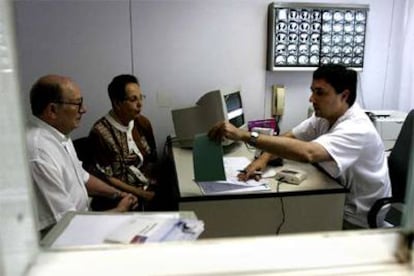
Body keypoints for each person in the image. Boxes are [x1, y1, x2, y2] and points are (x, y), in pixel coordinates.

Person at [208, 64, 391, 229]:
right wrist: (263, 159)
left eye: (320, 92)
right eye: (312, 91)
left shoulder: (356, 128)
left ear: (344, 95)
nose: (311, 98)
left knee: (281, 222)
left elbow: (308, 153)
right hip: (336, 196)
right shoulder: (324, 117)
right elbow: (292, 136)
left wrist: (245, 136)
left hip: (356, 216)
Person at [26, 75, 138, 236]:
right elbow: (67, 227)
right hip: (63, 239)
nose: (83, 109)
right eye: (77, 104)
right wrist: (119, 211)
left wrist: (116, 193)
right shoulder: (38, 153)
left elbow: (83, 177)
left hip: (83, 221)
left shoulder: (59, 135)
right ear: (52, 110)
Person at [86, 74, 164, 211]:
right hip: (119, 195)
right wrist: (141, 193)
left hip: (148, 186)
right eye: (133, 99)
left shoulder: (142, 122)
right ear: (117, 103)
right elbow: (106, 177)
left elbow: (152, 160)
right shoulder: (100, 132)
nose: (140, 104)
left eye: (141, 97)